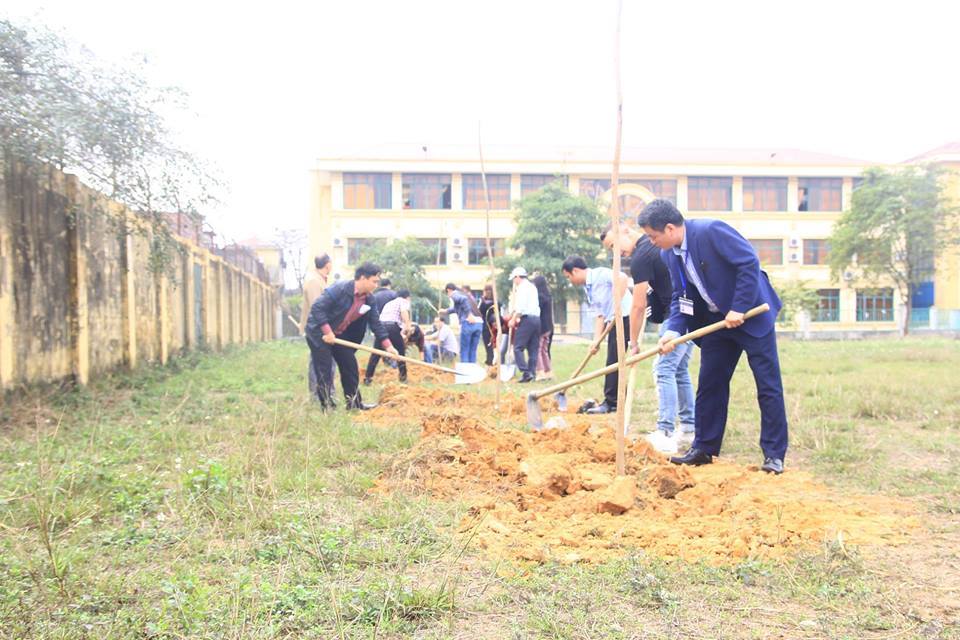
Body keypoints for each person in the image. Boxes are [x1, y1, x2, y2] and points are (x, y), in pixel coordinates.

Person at [637, 199, 788, 474]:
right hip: (717, 322)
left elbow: (748, 264)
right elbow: (681, 296)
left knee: (767, 385)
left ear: (669, 228)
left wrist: (739, 308)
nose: (651, 241)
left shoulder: (711, 231)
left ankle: (774, 455)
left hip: (752, 314)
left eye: (652, 236)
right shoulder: (669, 255)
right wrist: (672, 331)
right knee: (710, 384)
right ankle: (704, 449)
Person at [602, 223, 693, 454]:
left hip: (678, 316)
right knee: (679, 370)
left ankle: (665, 432)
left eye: (614, 245)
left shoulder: (642, 255)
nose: (617, 253)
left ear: (625, 230)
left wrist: (633, 343)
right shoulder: (651, 249)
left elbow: (638, 305)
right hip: (689, 311)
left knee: (664, 369)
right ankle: (689, 427)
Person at [305, 262, 398, 411]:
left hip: (340, 335)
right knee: (325, 369)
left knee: (350, 366)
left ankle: (354, 403)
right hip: (319, 332)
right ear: (362, 278)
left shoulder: (369, 299)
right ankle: (327, 406)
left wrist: (389, 346)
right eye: (374, 281)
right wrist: (328, 331)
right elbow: (317, 308)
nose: (376, 285)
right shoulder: (339, 289)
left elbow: (376, 324)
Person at [561, 256, 633, 414]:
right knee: (615, 359)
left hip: (625, 317)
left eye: (569, 277)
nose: (570, 281)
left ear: (575, 271)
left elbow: (622, 279)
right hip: (612, 321)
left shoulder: (601, 274)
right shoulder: (588, 288)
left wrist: (616, 307)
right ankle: (619, 397)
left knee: (613, 360)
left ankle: (612, 403)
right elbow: (599, 315)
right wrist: (596, 341)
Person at [363, 289, 413, 385]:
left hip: (381, 327)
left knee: (376, 353)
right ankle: (403, 377)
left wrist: (403, 331)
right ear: (407, 297)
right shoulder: (404, 301)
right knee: (400, 352)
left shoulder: (389, 303)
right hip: (392, 327)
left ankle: (368, 378)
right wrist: (408, 326)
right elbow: (404, 313)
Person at [301, 254, 333, 399]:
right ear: (327, 265)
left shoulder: (320, 280)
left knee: (320, 361)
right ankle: (317, 394)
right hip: (317, 328)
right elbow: (317, 308)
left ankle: (323, 392)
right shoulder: (314, 281)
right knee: (318, 361)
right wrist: (325, 329)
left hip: (321, 327)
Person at [506, 267, 540, 383]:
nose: (514, 282)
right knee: (533, 349)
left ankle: (525, 372)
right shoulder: (532, 287)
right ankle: (532, 373)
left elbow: (520, 307)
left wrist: (513, 320)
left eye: (514, 279)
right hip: (536, 319)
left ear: (518, 277)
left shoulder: (522, 288)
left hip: (527, 319)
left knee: (517, 347)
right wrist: (512, 313)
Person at [444, 283, 483, 364]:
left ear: (448, 290)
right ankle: (472, 372)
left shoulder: (455, 294)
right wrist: (446, 311)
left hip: (468, 323)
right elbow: (457, 308)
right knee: (472, 350)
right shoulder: (468, 295)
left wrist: (469, 314)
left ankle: (465, 372)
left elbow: (463, 300)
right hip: (479, 323)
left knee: (464, 350)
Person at [531, 275, 554, 381]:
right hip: (549, 326)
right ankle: (548, 371)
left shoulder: (539, 297)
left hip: (541, 326)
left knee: (538, 350)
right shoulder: (548, 296)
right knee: (544, 350)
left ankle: (540, 372)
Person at [479, 284, 497, 366]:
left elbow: (479, 312)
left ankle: (490, 362)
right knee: (493, 346)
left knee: (489, 346)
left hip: (487, 326)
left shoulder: (484, 303)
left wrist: (482, 301)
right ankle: (492, 361)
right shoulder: (496, 302)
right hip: (495, 326)